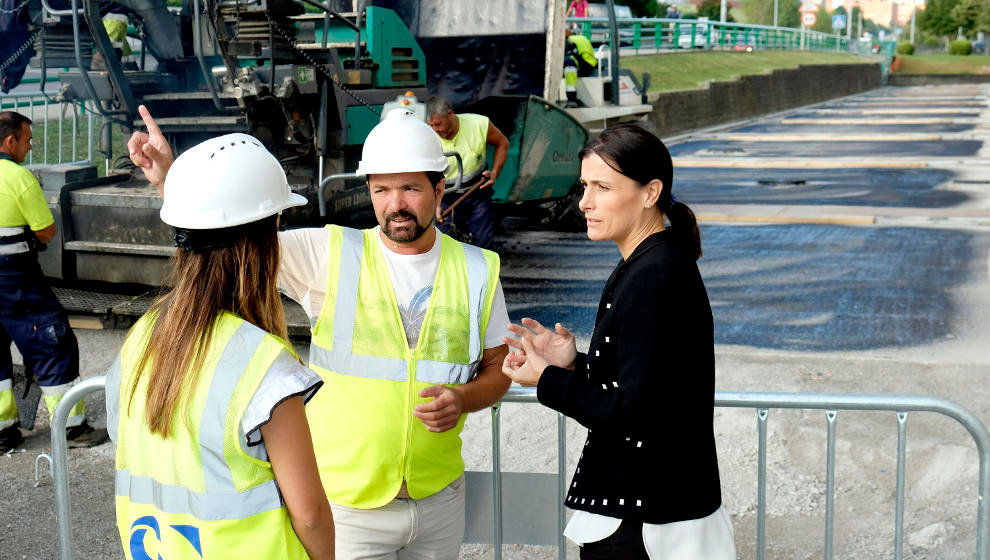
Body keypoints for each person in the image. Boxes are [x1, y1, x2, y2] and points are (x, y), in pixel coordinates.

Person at [128, 105, 512, 560]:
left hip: (439, 498)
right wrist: (172, 180)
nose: (396, 204)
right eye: (382, 189)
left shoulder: (478, 269)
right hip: (348, 506)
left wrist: (465, 399)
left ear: (439, 188)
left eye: (410, 187)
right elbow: (232, 239)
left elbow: (498, 366)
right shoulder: (330, 253)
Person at [501, 124, 735, 559]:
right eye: (584, 186)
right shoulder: (653, 261)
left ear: (650, 192)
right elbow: (651, 382)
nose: (584, 202)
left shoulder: (656, 273)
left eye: (602, 187)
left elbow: (636, 413)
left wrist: (548, 380)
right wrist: (575, 364)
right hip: (650, 510)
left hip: (646, 521)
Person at [105, 133, 333, 559]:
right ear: (268, 242)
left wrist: (173, 185)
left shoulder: (142, 338)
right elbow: (311, 516)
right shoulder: (264, 367)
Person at [0, 111, 107, 453]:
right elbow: (46, 231)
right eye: (28, 139)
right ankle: (71, 427)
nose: (31, 146)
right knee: (51, 342)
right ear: (9, 141)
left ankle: (3, 430)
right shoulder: (18, 178)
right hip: (15, 280)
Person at [425, 95, 509, 250]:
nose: (435, 129)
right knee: (443, 246)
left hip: (477, 192)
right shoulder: (426, 137)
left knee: (482, 244)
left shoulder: (479, 124)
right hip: (446, 198)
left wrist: (495, 172)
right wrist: (434, 203)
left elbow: (502, 143)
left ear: (450, 114)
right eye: (431, 125)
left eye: (438, 124)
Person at [563, 28, 598, 108]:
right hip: (591, 65)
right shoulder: (582, 38)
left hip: (582, 67)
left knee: (568, 63)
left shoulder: (568, 42)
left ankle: (571, 98)